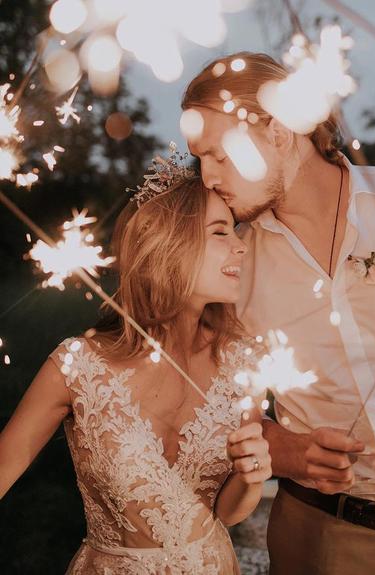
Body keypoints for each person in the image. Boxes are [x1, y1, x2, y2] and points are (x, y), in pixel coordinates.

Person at [182, 52, 375, 575]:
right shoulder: (231, 265)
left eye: (218, 154)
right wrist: (281, 447)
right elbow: (210, 410)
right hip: (318, 539)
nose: (207, 176)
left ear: (280, 131)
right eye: (200, 158)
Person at [0, 159, 272, 574]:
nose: (240, 245)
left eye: (235, 230)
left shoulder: (243, 363)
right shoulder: (78, 366)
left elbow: (229, 512)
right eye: (220, 231)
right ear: (167, 244)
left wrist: (252, 478)